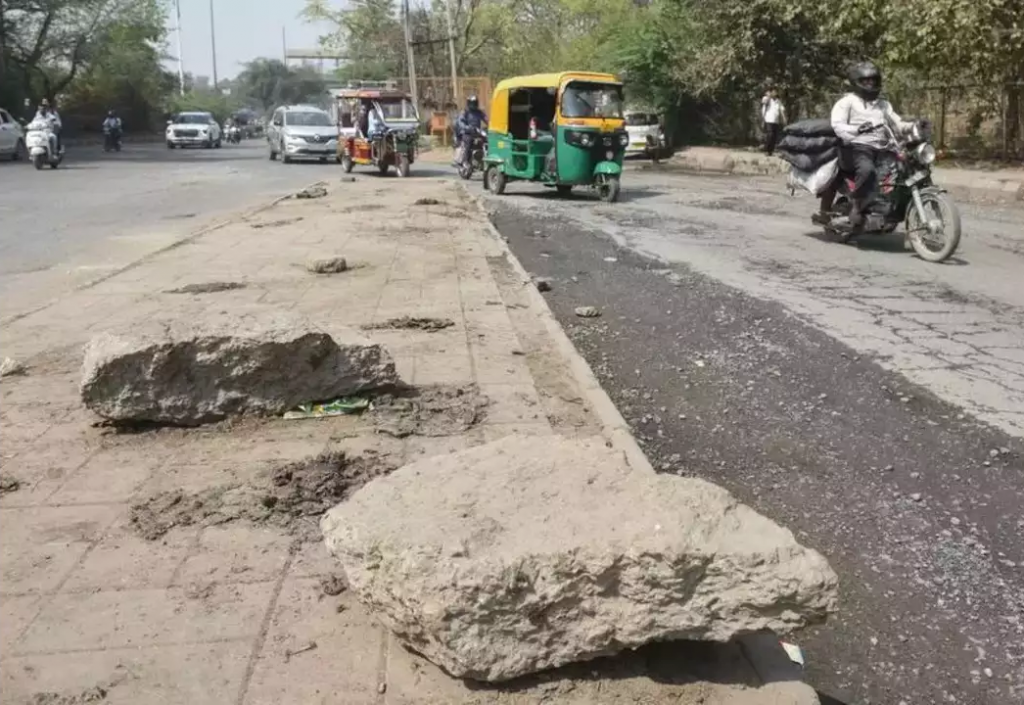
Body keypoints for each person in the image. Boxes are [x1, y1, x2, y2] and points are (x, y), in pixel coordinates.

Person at [827, 61, 913, 226]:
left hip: (882, 148)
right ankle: (857, 206)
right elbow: (837, 126)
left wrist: (913, 126)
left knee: (905, 168)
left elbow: (897, 122)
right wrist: (857, 129)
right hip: (855, 148)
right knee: (867, 170)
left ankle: (890, 205)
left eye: (873, 80)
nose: (871, 84)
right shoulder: (847, 102)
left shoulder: (883, 104)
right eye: (866, 81)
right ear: (857, 82)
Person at [453, 95, 487, 166]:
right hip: (467, 132)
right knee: (468, 141)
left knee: (487, 140)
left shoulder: (479, 112)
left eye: (475, 103)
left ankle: (483, 158)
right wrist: (467, 127)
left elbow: (486, 118)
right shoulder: (465, 112)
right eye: (472, 103)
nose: (473, 105)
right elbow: (461, 121)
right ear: (469, 103)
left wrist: (492, 125)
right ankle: (466, 161)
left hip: (476, 132)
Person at [760, 87, 786, 155]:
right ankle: (767, 150)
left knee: (774, 136)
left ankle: (771, 151)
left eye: (776, 92)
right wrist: (768, 96)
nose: (774, 93)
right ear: (771, 92)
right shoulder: (766, 98)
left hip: (776, 121)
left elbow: (781, 110)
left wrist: (784, 119)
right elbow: (765, 103)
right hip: (768, 120)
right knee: (770, 135)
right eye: (773, 92)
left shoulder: (778, 101)